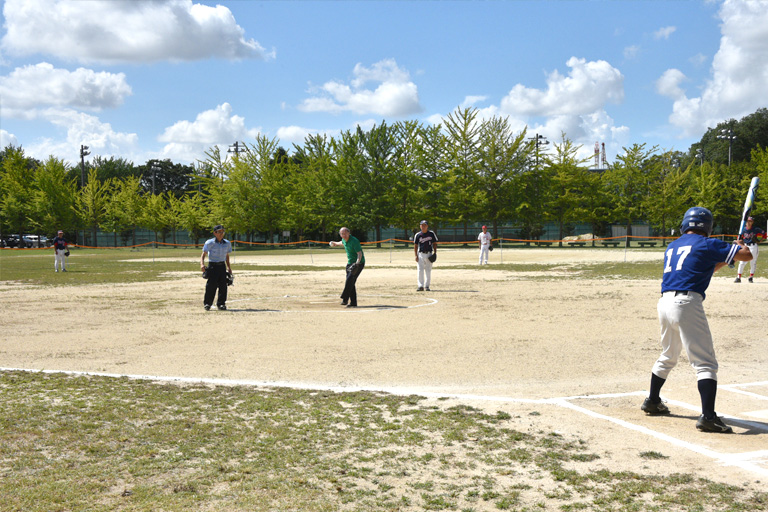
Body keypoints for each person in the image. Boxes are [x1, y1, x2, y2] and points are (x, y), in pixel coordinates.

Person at [641, 207, 752, 433]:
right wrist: (741, 245)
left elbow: (705, 269)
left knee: (669, 354)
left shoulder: (674, 245)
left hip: (665, 302)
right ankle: (708, 417)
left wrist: (726, 258)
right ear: (708, 227)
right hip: (687, 303)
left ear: (685, 224)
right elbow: (747, 256)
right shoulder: (708, 243)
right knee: (705, 363)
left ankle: (652, 401)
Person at [329, 227, 365, 308]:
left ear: (349, 233)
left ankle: (345, 298)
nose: (343, 235)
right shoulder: (344, 240)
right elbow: (342, 242)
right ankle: (353, 302)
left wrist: (357, 263)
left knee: (349, 280)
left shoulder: (354, 241)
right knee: (351, 281)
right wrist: (335, 243)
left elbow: (359, 253)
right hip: (349, 263)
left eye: (345, 233)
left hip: (358, 263)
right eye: (342, 234)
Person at [200, 224, 232, 311]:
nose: (221, 234)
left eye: (222, 232)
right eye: (219, 232)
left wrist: (229, 267)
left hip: (222, 266)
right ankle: (207, 304)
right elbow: (203, 254)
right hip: (212, 266)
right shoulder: (210, 243)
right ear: (215, 233)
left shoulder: (227, 243)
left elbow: (227, 256)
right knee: (211, 286)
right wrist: (202, 264)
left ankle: (221, 304)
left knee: (223, 286)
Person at [734, 216, 765, 283]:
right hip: (745, 246)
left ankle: (751, 277)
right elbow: (739, 238)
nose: (748, 222)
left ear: (752, 222)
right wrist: (740, 243)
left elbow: (764, 233)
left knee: (753, 262)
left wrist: (760, 241)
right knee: (742, 262)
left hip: (753, 246)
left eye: (750, 221)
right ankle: (738, 277)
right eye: (747, 221)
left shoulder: (756, 229)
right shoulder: (743, 229)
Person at [414, 220, 438, 291]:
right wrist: (416, 256)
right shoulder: (418, 235)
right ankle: (420, 286)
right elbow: (415, 246)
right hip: (420, 254)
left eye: (425, 225)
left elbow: (434, 243)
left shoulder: (431, 234)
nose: (423, 226)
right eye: (422, 225)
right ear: (420, 226)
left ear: (427, 226)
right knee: (420, 270)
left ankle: (426, 286)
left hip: (429, 254)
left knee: (428, 270)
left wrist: (435, 253)